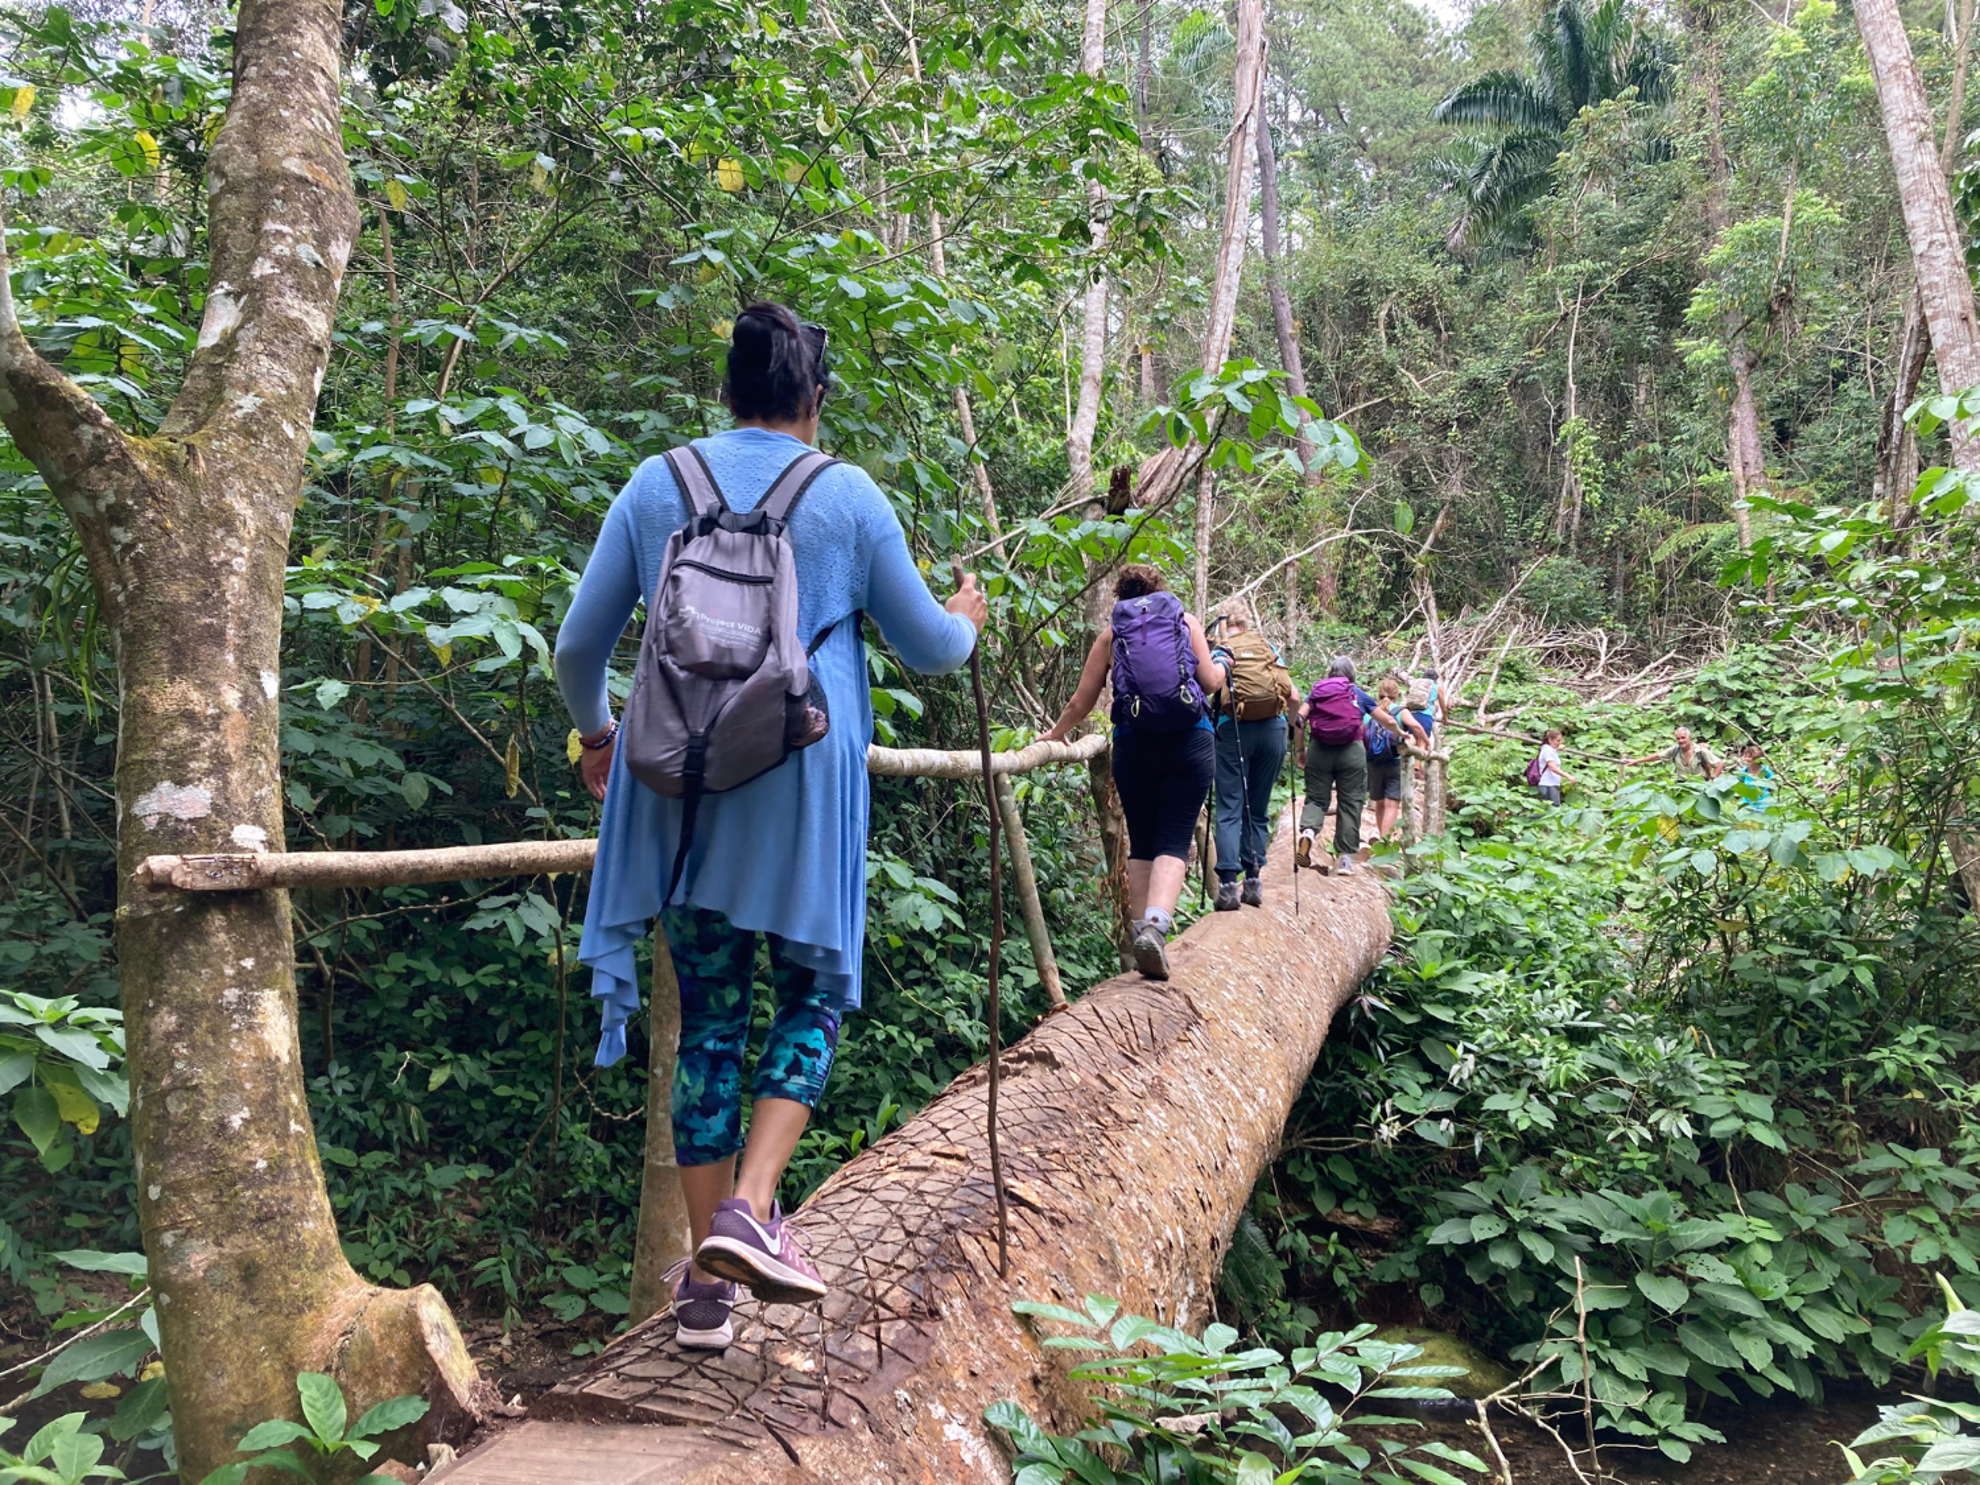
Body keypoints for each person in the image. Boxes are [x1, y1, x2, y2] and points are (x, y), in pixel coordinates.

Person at [554, 302, 988, 1349]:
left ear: (727, 393)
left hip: (681, 787)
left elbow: (577, 647)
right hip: (801, 782)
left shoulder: (661, 484)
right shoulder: (844, 495)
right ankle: (753, 1207)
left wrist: (599, 737)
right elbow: (931, 648)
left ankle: (708, 1290)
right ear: (816, 399)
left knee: (707, 1018)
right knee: (812, 995)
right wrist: (969, 611)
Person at [1040, 564, 1226, 980]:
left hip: (1134, 743)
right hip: (1190, 740)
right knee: (1175, 838)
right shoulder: (1185, 621)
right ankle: (1156, 929)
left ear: (1119, 597)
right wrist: (1222, 664)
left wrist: (1054, 733)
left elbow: (1081, 701)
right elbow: (1210, 683)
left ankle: (1141, 931)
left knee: (1142, 840)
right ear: (1160, 590)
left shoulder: (1111, 635)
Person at [1205, 598, 1294, 911]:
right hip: (1273, 731)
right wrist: (1294, 731)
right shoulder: (1266, 646)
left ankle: (1228, 886)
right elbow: (1292, 694)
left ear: (1223, 625)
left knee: (1229, 806)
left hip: (1233, 730)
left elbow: (1204, 688)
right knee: (1256, 808)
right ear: (1245, 624)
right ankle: (1254, 881)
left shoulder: (1219, 648)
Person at [1296, 656, 1382, 875]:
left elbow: (1299, 719)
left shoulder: (1317, 693)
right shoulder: (1356, 693)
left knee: (1316, 798)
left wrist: (1299, 749)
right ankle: (1344, 859)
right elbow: (1385, 719)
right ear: (1352, 674)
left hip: (1319, 750)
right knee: (1351, 801)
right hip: (1351, 751)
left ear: (1330, 673)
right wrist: (1400, 733)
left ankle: (1308, 833)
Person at [1364, 676, 1429, 839]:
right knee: (1392, 804)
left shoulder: (1370, 711)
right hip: (1394, 761)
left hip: (1372, 761)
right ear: (1397, 695)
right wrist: (1426, 742)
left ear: (1378, 694)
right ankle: (1384, 840)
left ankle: (1380, 836)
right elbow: (1415, 726)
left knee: (1379, 802)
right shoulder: (1400, 711)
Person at [1624, 726, 1721, 780]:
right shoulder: (1675, 750)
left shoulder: (1700, 751)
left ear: (1690, 738)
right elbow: (1657, 756)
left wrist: (1713, 778)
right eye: (1678, 738)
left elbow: (1720, 763)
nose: (1680, 741)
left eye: (1683, 737)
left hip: (1700, 784)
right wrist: (1636, 760)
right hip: (1682, 785)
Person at [1535, 728, 1574, 805]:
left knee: (1549, 809)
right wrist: (1568, 776)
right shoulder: (1547, 751)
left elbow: (1552, 752)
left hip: (1551, 783)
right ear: (1550, 740)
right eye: (1558, 741)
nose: (1560, 742)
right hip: (1548, 784)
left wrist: (1557, 748)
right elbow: (1552, 767)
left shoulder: (1549, 749)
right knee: (1553, 808)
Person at [1737, 742, 1774, 809]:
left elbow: (1772, 787)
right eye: (1746, 757)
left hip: (1764, 804)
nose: (1747, 759)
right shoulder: (1744, 772)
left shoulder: (1765, 771)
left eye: (1750, 757)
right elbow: (1740, 786)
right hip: (1747, 804)